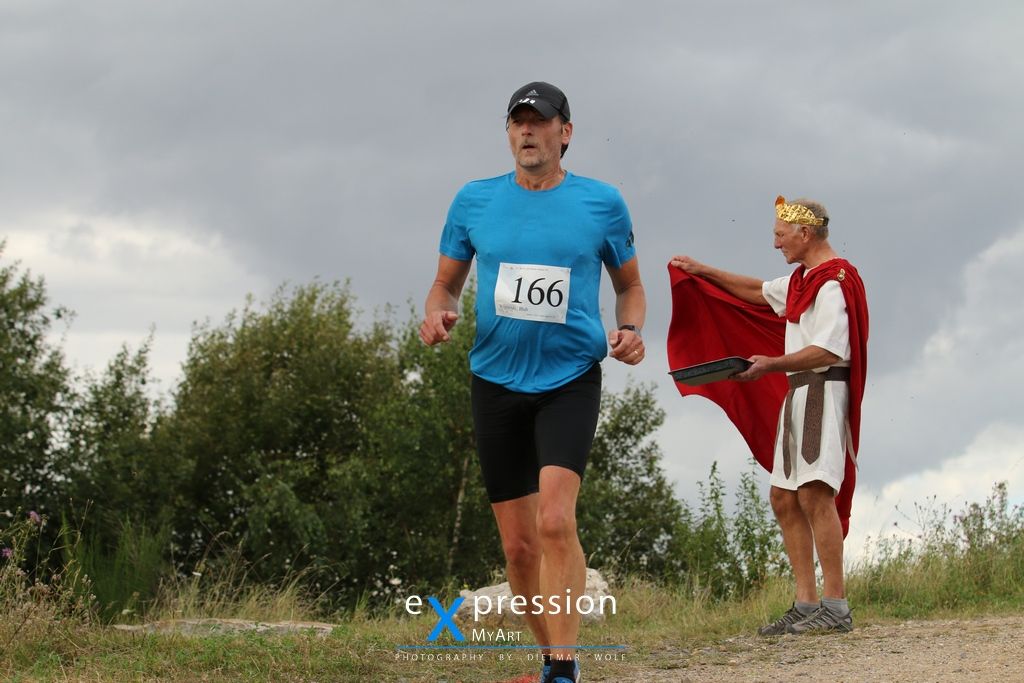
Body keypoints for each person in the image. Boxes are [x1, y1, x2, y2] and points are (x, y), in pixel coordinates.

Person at [420, 81, 646, 682]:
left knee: (554, 521)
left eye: (539, 121)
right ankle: (550, 659)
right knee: (519, 549)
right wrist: (437, 312)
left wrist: (629, 329)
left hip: (569, 380)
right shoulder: (474, 200)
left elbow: (630, 286)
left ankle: (565, 669)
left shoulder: (602, 203)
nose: (526, 130)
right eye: (517, 121)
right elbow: (445, 285)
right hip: (494, 382)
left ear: (564, 133)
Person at [670, 195, 868, 635]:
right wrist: (703, 271)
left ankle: (835, 606)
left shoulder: (833, 282)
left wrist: (770, 364)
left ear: (805, 233)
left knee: (815, 493)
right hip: (799, 394)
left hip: (822, 392)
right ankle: (806, 603)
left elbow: (829, 350)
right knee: (784, 497)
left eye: (781, 234)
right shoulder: (803, 280)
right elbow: (757, 291)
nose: (776, 242)